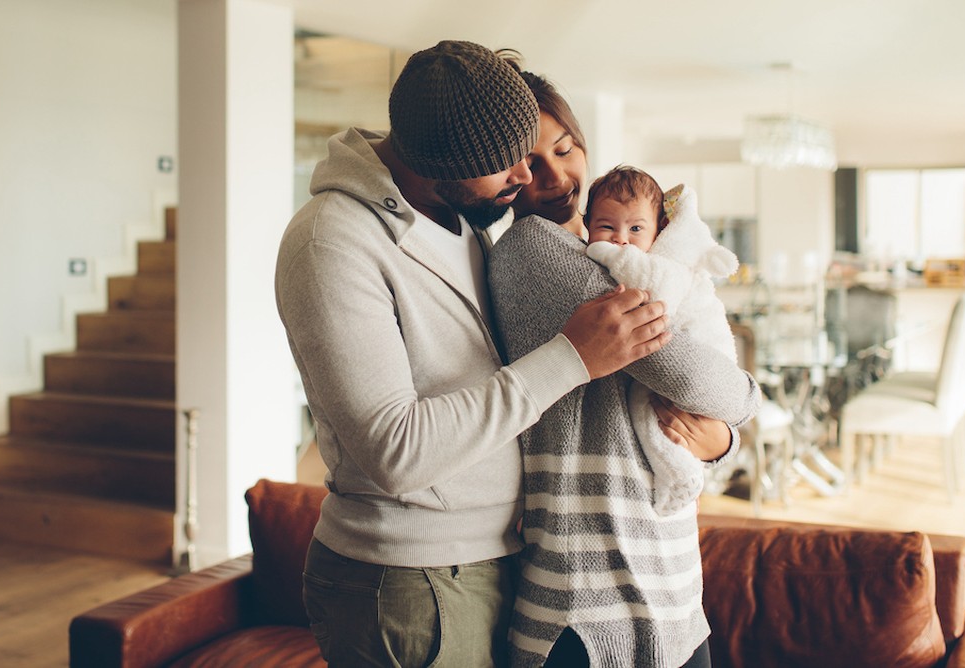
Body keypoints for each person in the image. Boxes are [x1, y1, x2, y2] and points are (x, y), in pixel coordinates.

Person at [275, 40, 676, 668]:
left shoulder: (460, 218)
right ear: (435, 162)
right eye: (505, 165)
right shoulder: (332, 243)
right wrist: (572, 357)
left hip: (493, 559)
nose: (525, 177)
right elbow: (397, 451)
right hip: (410, 581)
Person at [490, 56, 761, 667]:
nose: (557, 174)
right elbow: (689, 375)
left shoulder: (599, 249)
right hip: (586, 604)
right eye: (532, 160)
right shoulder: (536, 254)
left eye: (564, 148)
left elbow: (694, 399)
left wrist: (718, 440)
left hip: (666, 588)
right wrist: (745, 402)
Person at [582, 166, 742, 515]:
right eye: (606, 227)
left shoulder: (661, 266)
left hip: (704, 350)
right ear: (587, 226)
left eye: (636, 229)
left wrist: (606, 253)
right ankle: (682, 473)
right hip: (694, 365)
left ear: (657, 232)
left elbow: (654, 298)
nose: (621, 239)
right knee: (660, 417)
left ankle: (682, 474)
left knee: (653, 411)